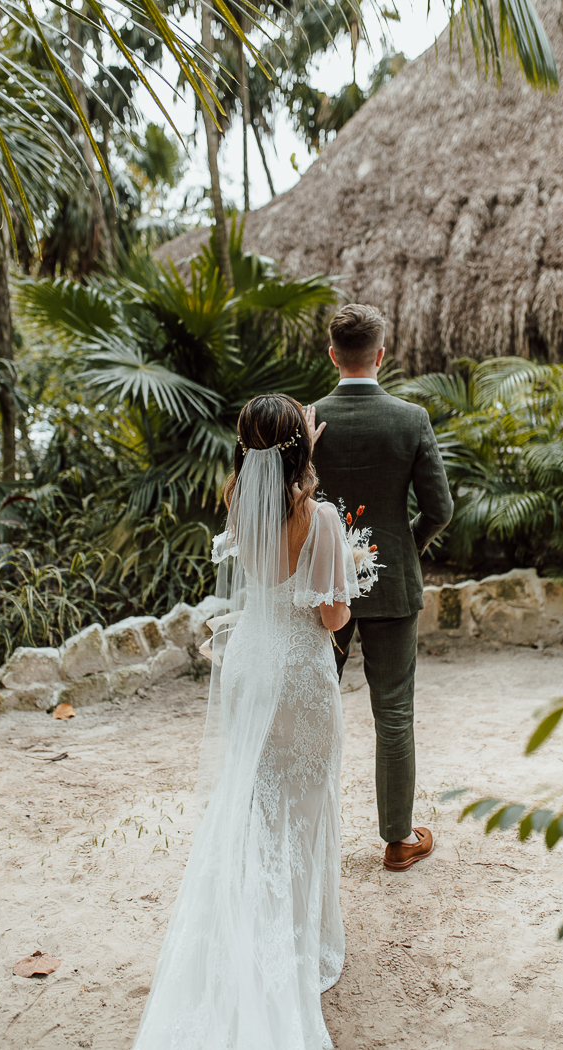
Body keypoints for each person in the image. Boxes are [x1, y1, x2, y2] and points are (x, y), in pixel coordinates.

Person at [131, 394, 360, 1050]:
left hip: (250, 665)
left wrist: (295, 442)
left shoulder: (236, 495)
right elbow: (333, 618)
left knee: (258, 811)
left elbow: (269, 490)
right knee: (307, 811)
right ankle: (297, 945)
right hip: (299, 680)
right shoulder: (319, 519)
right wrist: (349, 567)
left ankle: (249, 931)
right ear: (302, 451)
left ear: (245, 447)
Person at [308, 304, 454, 873]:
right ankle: (397, 841)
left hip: (323, 593)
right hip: (392, 585)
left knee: (314, 708)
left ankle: (312, 841)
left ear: (332, 355)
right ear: (381, 354)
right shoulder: (410, 418)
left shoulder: (308, 419)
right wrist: (401, 550)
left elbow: (294, 509)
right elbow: (439, 509)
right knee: (393, 713)